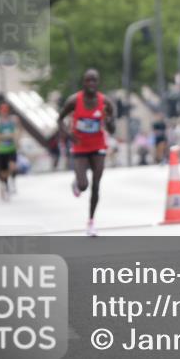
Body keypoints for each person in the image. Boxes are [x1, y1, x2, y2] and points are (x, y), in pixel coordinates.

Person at [58, 69, 116, 236]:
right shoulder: (74, 101)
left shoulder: (105, 102)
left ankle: (91, 221)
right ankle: (76, 183)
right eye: (88, 80)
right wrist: (69, 135)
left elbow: (112, 129)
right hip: (80, 147)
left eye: (94, 80)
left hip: (98, 147)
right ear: (83, 82)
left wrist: (109, 120)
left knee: (96, 185)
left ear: (98, 83)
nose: (91, 83)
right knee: (84, 185)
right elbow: (60, 119)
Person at [0, 103, 21, 201]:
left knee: (13, 166)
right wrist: (6, 136)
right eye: (3, 111)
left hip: (11, 148)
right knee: (3, 172)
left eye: (6, 111)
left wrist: (15, 139)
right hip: (1, 150)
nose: (4, 113)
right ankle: (5, 187)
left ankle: (13, 182)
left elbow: (17, 132)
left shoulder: (13, 120)